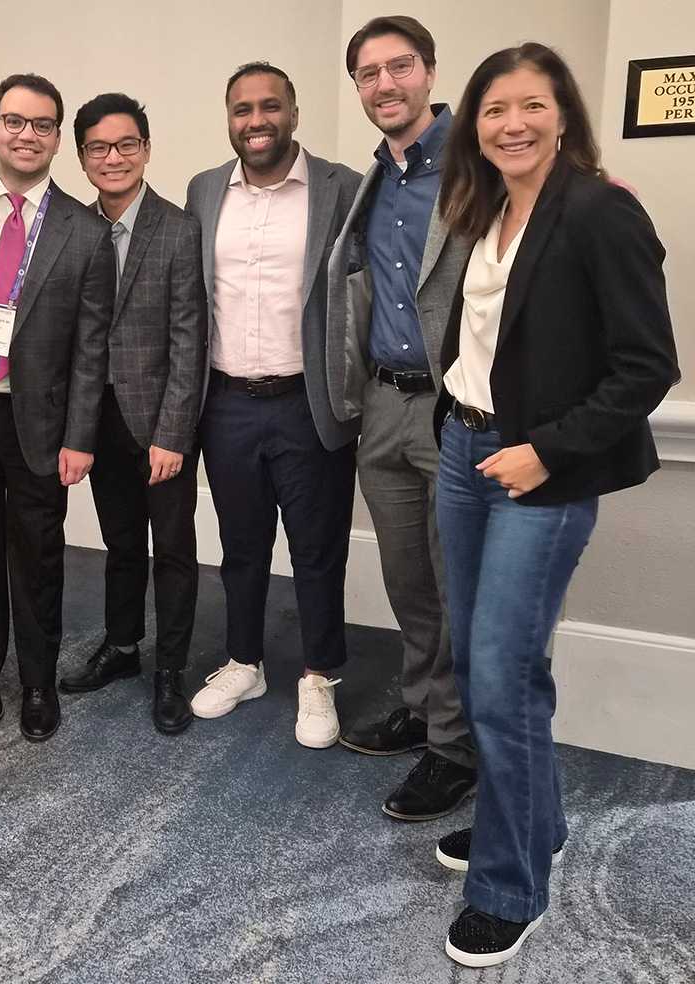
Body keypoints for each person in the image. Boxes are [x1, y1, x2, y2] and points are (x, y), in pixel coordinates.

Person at [432, 43, 678, 968]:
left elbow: (648, 366)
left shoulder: (600, 209)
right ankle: (532, 821)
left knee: (503, 676)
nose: (513, 124)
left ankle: (509, 886)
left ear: (564, 114)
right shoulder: (486, 208)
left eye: (532, 105)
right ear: (475, 126)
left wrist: (546, 450)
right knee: (480, 664)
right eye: (495, 110)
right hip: (464, 451)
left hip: (539, 469)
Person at [325, 16, 477, 821]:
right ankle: (424, 708)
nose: (385, 84)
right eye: (368, 72)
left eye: (400, 66)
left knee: (457, 585)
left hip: (457, 409)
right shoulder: (373, 180)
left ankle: (457, 748)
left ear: (429, 72)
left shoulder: (478, 166)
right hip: (382, 403)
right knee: (408, 579)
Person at [185, 63, 361, 746]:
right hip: (227, 402)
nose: (256, 121)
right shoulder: (204, 190)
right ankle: (244, 662)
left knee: (317, 548)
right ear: (229, 118)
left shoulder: (341, 187)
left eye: (269, 106)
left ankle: (319, 675)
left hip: (307, 402)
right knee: (240, 545)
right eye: (242, 109)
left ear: (293, 112)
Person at [0, 73, 115, 743]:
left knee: (38, 557)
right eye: (14, 121)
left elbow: (91, 349)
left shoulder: (85, 231)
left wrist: (81, 436)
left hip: (40, 420)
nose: (27, 134)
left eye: (42, 124)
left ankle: (38, 682)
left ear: (57, 139)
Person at [59, 93, 206, 735]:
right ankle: (122, 647)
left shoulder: (179, 230)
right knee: (120, 543)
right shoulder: (75, 230)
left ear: (146, 149)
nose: (112, 158)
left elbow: (189, 341)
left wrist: (173, 434)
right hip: (100, 419)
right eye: (98, 147)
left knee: (171, 548)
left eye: (125, 145)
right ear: (82, 157)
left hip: (160, 424)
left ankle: (170, 668)